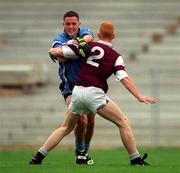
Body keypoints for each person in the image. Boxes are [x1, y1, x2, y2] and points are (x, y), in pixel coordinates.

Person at [29, 21, 157, 166]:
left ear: (98, 35)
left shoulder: (88, 45)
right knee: (123, 122)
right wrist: (139, 96)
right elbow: (123, 78)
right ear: (113, 36)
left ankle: (38, 157)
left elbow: (61, 53)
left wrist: (53, 51)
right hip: (94, 93)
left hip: (77, 91)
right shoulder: (116, 56)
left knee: (65, 128)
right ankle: (135, 159)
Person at [50, 11, 95, 165]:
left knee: (90, 121)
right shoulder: (58, 39)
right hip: (70, 87)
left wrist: (66, 50)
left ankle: (85, 150)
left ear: (79, 24)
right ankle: (80, 152)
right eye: (67, 24)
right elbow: (58, 54)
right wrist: (77, 47)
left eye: (73, 23)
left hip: (88, 84)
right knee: (81, 120)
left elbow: (89, 38)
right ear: (63, 25)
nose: (71, 26)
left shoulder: (84, 33)